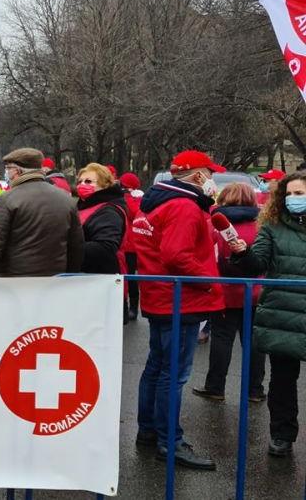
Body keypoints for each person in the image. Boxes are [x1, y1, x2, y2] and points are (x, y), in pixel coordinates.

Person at [131, 149, 225, 470]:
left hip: (161, 297)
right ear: (198, 176)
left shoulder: (159, 200)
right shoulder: (184, 206)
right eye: (210, 174)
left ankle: (148, 432)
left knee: (157, 367)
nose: (213, 180)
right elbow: (175, 255)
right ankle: (169, 442)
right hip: (180, 300)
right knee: (174, 375)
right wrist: (210, 282)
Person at [228, 170, 306, 458]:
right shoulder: (272, 226)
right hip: (283, 313)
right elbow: (256, 263)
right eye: (288, 194)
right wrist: (241, 252)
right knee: (283, 379)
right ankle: (282, 435)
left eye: (299, 194)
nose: (292, 199)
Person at [191, 183, 265, 404]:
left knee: (222, 340)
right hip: (255, 291)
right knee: (253, 342)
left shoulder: (214, 224)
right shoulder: (261, 225)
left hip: (224, 290)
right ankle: (255, 390)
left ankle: (215, 387)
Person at [0, 148, 83, 278]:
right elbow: (76, 247)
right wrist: (69, 278)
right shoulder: (66, 199)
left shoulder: (6, 199)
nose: (7, 173)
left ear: (17, 171)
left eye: (8, 168)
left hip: (15, 282)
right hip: (54, 281)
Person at [75, 163, 127, 274]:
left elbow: (106, 247)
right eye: (80, 182)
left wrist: (68, 248)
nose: (82, 185)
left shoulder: (108, 211)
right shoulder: (84, 205)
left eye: (88, 181)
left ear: (104, 185)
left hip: (103, 277)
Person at [120, 172, 144, 320]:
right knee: (121, 278)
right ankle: (123, 306)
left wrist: (127, 197)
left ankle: (133, 308)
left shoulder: (138, 199)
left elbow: (135, 214)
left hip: (132, 246)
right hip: (122, 244)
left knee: (131, 278)